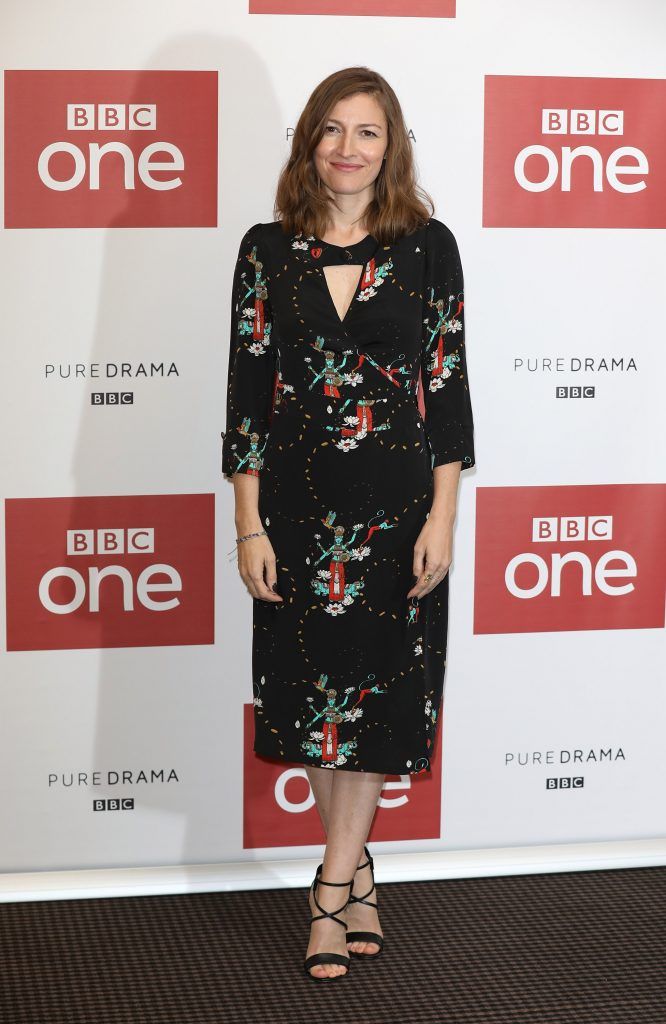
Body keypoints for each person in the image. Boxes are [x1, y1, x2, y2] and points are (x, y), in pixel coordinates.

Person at [221, 66, 475, 981]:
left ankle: (329, 888)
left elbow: (445, 391)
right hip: (294, 510)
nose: (347, 148)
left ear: (391, 146)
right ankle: (356, 869)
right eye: (331, 129)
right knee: (316, 709)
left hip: (399, 507)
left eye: (366, 132)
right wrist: (248, 525)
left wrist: (444, 515)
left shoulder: (427, 246)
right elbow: (248, 391)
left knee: (367, 706)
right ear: (308, 142)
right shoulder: (265, 249)